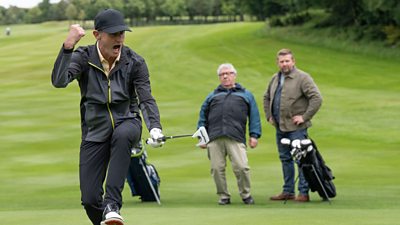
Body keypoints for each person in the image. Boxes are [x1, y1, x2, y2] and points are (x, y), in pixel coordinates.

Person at [51, 9, 164, 225]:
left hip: (127, 121)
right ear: (97, 35)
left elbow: (146, 99)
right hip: (94, 131)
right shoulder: (83, 57)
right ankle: (106, 218)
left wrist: (155, 127)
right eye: (113, 34)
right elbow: (59, 81)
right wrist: (67, 48)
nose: (119, 38)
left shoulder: (135, 61)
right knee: (90, 199)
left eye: (122, 33)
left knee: (122, 135)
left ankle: (113, 204)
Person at [197, 63, 262, 205]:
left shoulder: (245, 94)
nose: (225, 76)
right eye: (222, 74)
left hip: (236, 137)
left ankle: (246, 194)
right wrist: (202, 138)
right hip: (214, 138)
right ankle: (223, 196)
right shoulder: (212, 96)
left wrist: (254, 135)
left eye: (228, 73)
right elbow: (203, 118)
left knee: (242, 167)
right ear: (219, 77)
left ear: (234, 75)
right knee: (216, 168)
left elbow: (254, 116)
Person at [263, 48, 322, 202]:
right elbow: (266, 97)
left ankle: (303, 193)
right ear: (278, 63)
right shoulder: (275, 78)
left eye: (287, 61)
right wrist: (269, 116)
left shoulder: (303, 77)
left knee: (301, 160)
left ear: (293, 61)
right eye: (281, 61)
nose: (284, 64)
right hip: (280, 127)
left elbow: (316, 98)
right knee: (285, 159)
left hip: (297, 129)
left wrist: (305, 116)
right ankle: (288, 191)